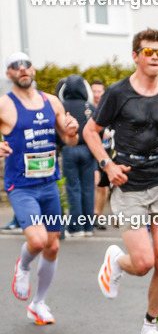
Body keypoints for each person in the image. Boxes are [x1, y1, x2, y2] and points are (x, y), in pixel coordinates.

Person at [83, 30, 158, 334]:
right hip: (128, 186)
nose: (155, 56)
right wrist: (107, 165)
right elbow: (91, 131)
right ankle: (116, 261)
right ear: (135, 56)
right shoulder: (118, 93)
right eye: (148, 51)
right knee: (143, 263)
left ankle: (149, 329)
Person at [0, 51, 79, 324]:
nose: (22, 68)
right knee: (38, 240)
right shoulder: (5, 105)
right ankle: (22, 266)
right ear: (8, 73)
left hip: (48, 184)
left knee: (53, 246)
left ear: (33, 70)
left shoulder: (52, 101)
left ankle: (38, 303)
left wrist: (72, 130)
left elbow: (69, 140)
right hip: (21, 186)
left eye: (26, 64)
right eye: (15, 66)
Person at [57, 74, 96, 238]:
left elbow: (57, 131)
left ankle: (76, 226)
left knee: (73, 188)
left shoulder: (61, 106)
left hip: (69, 149)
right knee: (88, 188)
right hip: (88, 150)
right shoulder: (90, 107)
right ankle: (88, 226)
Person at [90, 79, 111, 230]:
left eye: (99, 91)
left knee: (103, 187)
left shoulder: (109, 109)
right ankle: (90, 214)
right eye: (94, 91)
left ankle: (98, 215)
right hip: (91, 154)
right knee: (95, 183)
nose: (96, 94)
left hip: (106, 152)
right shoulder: (87, 110)